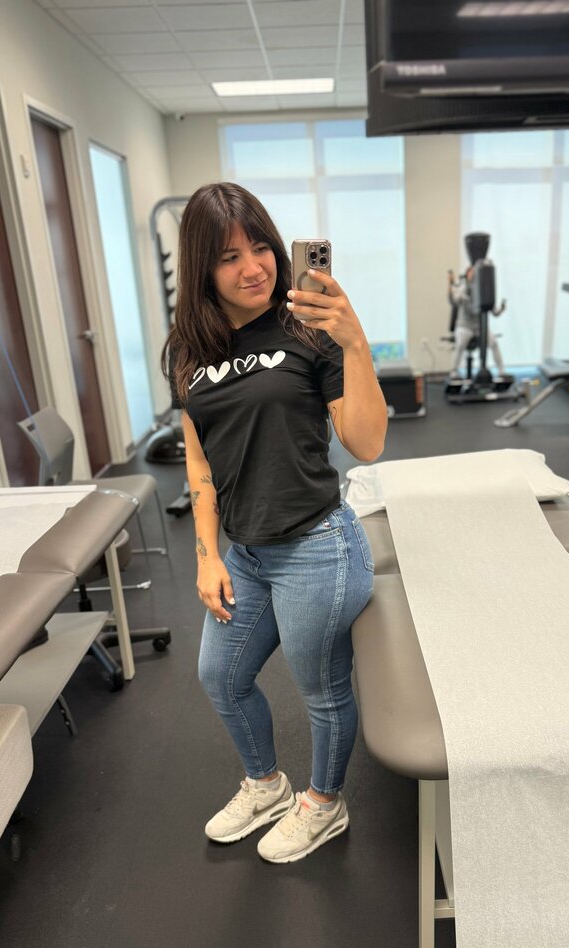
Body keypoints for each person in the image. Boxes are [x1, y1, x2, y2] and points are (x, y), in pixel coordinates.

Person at [163, 182, 387, 864]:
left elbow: (366, 443)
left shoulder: (309, 329)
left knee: (321, 690)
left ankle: (325, 802)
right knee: (221, 677)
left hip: (318, 546)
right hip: (246, 554)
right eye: (229, 256)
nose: (254, 267)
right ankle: (266, 786)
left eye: (260, 247)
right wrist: (207, 556)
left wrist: (355, 342)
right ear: (202, 269)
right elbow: (200, 465)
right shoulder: (188, 349)